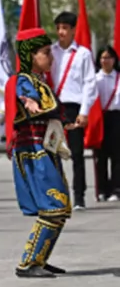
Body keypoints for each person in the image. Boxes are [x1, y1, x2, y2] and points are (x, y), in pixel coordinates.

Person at [9, 28, 73, 278]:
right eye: (46, 53)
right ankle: (28, 261)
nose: (51, 57)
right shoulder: (24, 80)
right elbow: (22, 93)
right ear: (31, 55)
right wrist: (29, 100)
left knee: (61, 207)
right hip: (33, 151)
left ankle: (40, 258)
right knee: (54, 206)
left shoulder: (41, 80)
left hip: (45, 148)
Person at [50, 12, 97, 210]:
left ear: (73, 30)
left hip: (74, 107)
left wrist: (84, 111)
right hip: (54, 106)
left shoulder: (83, 54)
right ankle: (56, 195)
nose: (61, 32)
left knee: (77, 154)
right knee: (51, 152)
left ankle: (79, 196)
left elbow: (89, 84)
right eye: (58, 28)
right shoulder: (50, 52)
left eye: (65, 28)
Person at [92, 46, 120, 201]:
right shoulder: (95, 79)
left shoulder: (119, 77)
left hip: (116, 117)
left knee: (117, 155)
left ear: (114, 60)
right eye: (103, 57)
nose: (106, 60)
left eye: (109, 57)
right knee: (101, 156)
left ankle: (116, 188)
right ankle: (103, 189)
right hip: (100, 118)